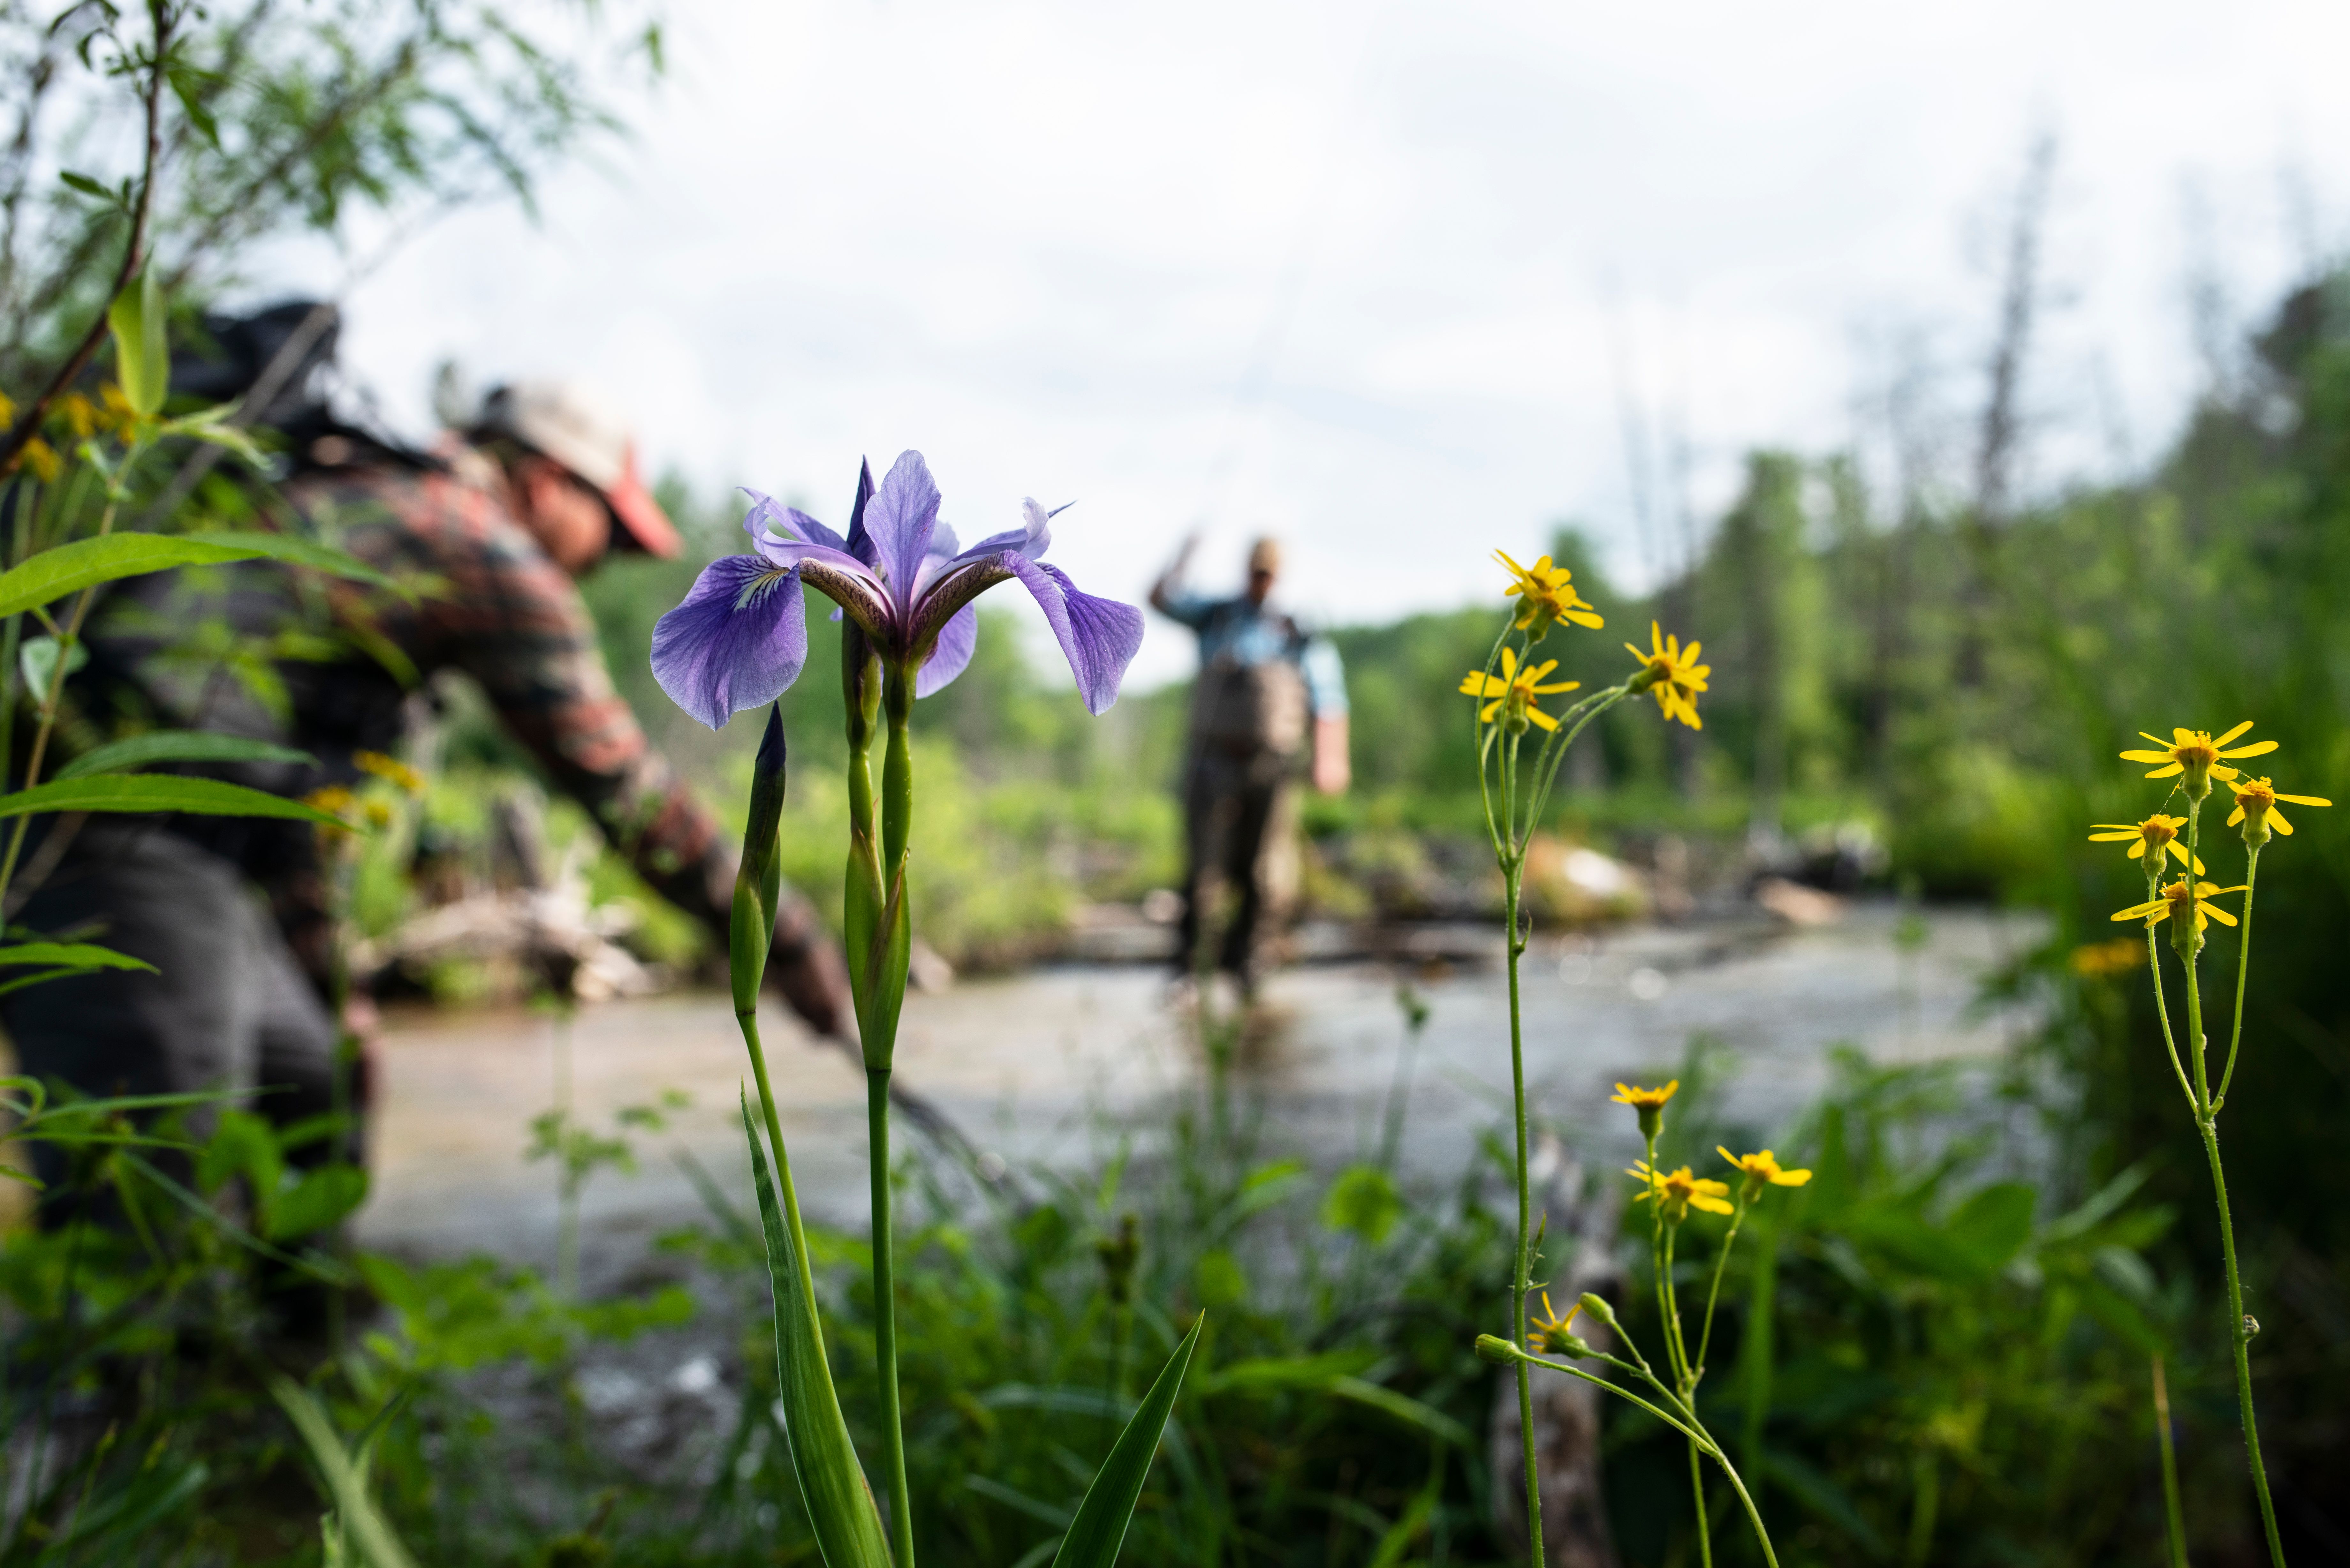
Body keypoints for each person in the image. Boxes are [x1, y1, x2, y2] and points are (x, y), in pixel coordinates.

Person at [2, 332, 853, 1197]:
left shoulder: (361, 494)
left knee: (316, 1081)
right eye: (611, 530)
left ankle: (294, 1327)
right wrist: (792, 945)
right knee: (154, 1193)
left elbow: (292, 789)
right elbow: (625, 791)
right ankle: (168, 1326)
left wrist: (335, 987)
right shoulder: (481, 547)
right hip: (112, 820)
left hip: (189, 837)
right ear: (546, 480)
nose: (603, 562)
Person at [1150, 534, 1349, 994]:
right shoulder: (1214, 615)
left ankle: (1251, 966)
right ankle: (1189, 967)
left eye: (1269, 573)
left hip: (1273, 764)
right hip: (1211, 760)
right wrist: (1183, 554)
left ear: (1278, 577)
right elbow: (1160, 598)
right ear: (1247, 571)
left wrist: (1331, 759)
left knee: (1265, 869)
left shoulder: (1296, 631)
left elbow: (1330, 699)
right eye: (1256, 571)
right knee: (1203, 864)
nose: (1262, 580)